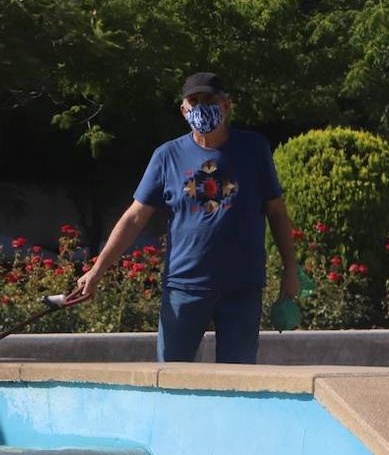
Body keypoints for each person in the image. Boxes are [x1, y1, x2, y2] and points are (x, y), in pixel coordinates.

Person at [67, 72, 299, 363]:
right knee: (172, 380)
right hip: (184, 287)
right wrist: (97, 270)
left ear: (226, 105)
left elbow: (276, 211)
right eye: (194, 101)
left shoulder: (254, 149)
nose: (202, 107)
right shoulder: (167, 156)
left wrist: (290, 268)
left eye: (210, 100)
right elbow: (134, 218)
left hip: (241, 286)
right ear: (183, 110)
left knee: (240, 382)